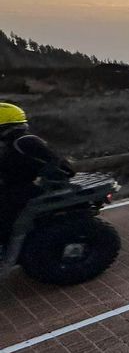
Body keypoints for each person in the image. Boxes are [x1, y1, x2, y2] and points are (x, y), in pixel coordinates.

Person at [0, 104, 75, 249]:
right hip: (10, 186)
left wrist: (52, 177)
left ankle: (10, 250)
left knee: (5, 220)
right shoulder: (9, 143)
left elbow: (63, 167)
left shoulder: (25, 141)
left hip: (21, 189)